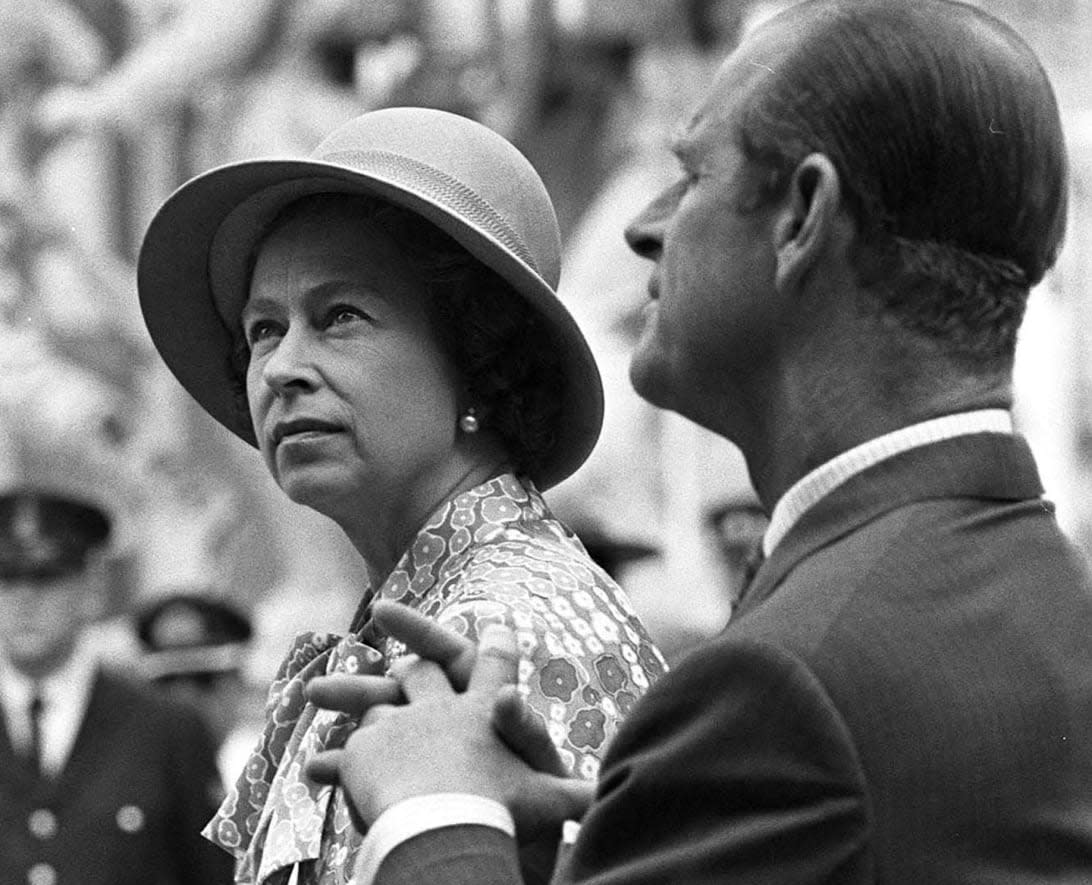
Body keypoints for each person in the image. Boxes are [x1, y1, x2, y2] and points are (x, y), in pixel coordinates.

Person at [298, 1, 1092, 882]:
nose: (645, 225)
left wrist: (436, 816)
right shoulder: (1047, 595)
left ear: (801, 217)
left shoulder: (783, 686)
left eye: (691, 175)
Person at [135, 106, 666, 884]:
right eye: (262, 330)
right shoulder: (427, 611)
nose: (282, 367)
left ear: (477, 358)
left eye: (340, 316)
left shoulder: (508, 630)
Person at [0, 488, 233, 885]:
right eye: (7, 580)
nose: (25, 600)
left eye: (47, 579)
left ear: (91, 589)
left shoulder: (169, 733)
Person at [134, 591, 257, 781]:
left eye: (203, 680)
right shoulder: (127, 777)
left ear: (239, 685)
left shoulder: (272, 773)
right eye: (167, 681)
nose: (185, 696)